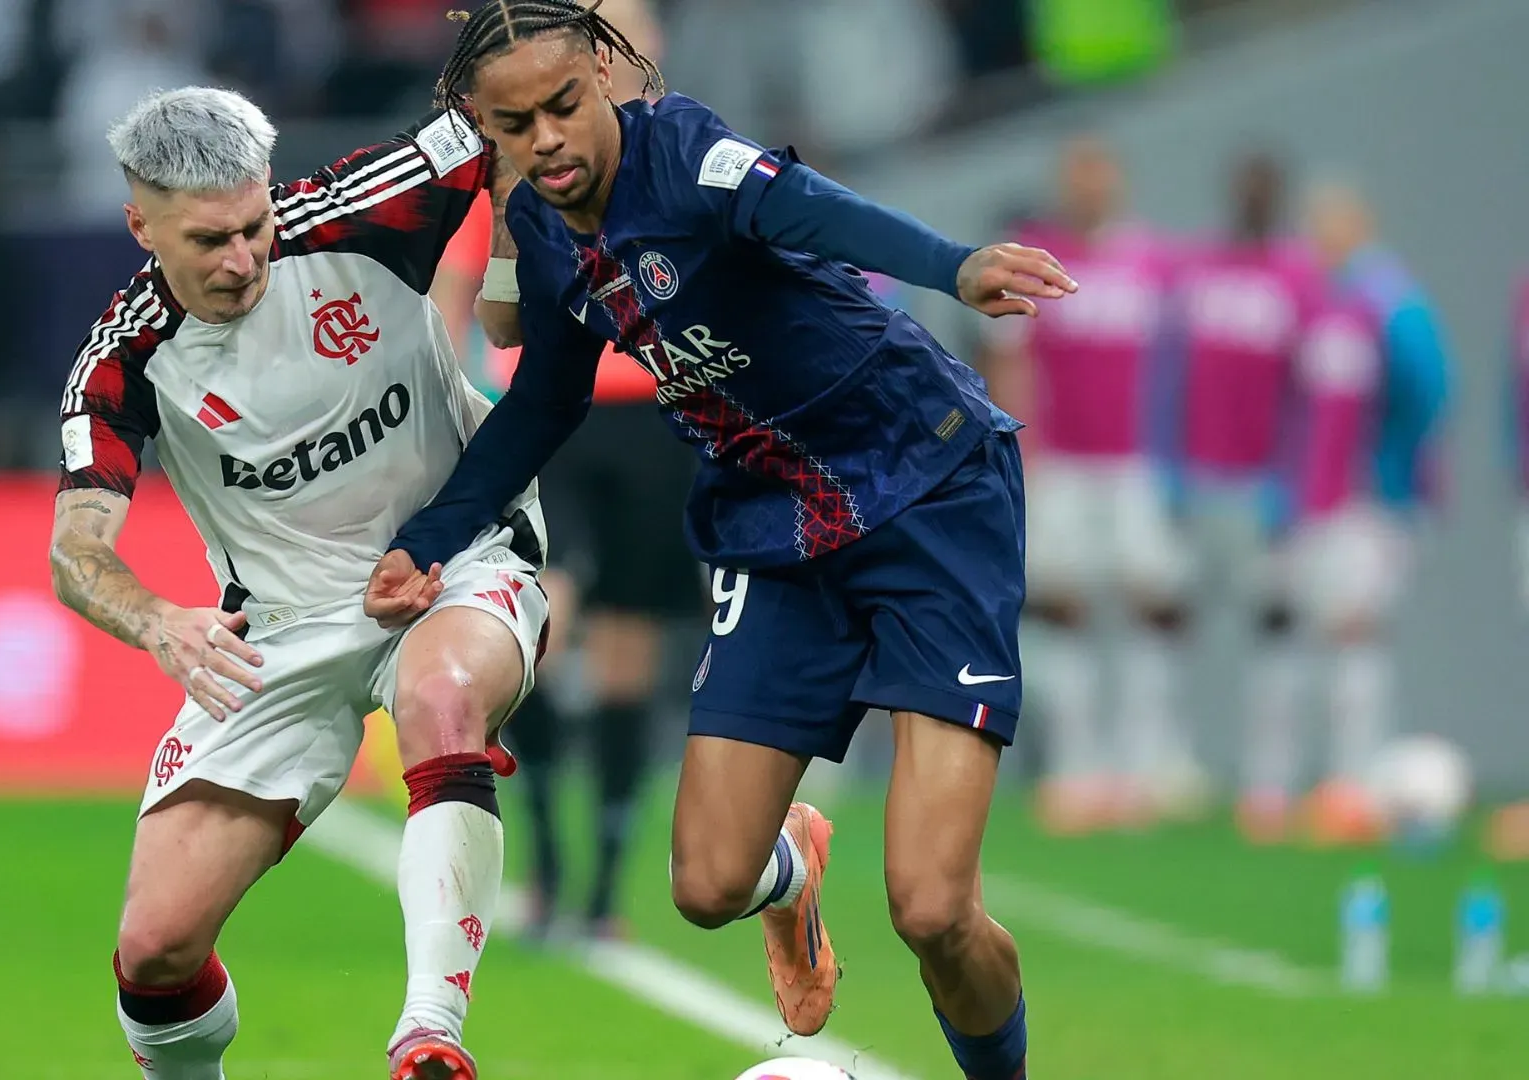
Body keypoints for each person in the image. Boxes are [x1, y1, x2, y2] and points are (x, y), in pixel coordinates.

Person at [365, 4, 1073, 1077]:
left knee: (933, 910)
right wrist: (432, 536)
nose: (549, 137)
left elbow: (818, 213)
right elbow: (540, 404)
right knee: (704, 886)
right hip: (772, 523)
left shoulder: (684, 150)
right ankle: (791, 871)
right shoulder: (547, 241)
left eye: (564, 104)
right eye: (518, 124)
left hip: (925, 487)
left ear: (605, 78)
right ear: (488, 132)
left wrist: (957, 264)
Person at [47, 86, 550, 1080]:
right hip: (280, 628)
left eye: (253, 225)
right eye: (208, 241)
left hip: (458, 559)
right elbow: (76, 552)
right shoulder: (123, 361)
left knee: (441, 693)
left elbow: (511, 110)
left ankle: (429, 1036)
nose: (242, 260)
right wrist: (158, 623)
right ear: (139, 225)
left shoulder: (367, 209)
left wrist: (509, 259)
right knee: (154, 953)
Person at [431, 0, 692, 943]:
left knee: (628, 643)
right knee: (546, 615)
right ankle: (541, 866)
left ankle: (601, 891)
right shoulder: (526, 156)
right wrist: (460, 402)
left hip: (662, 419)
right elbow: (457, 292)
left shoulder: (675, 156)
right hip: (553, 417)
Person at [981, 136, 1194, 833]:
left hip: (1137, 465)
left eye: (1100, 174)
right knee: (1060, 608)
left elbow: (1182, 369)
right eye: (1078, 175)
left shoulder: (1156, 265)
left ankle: (1146, 763)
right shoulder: (1034, 257)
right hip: (1062, 464)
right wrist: (1023, 455)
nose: (1089, 187)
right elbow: (1009, 359)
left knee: (1148, 607)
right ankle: (1077, 767)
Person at [1157, 152, 1329, 841]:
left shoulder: (1300, 280)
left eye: (1264, 187)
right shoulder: (1195, 270)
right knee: (1171, 621)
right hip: (1198, 479)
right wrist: (1166, 465)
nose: (1252, 198)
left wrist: (1297, 481)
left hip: (1266, 485)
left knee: (1274, 626)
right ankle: (1171, 764)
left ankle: (1270, 778)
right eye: (1244, 185)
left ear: (1277, 196)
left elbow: (1315, 391)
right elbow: (1166, 374)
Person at [1288, 182, 1451, 843]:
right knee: (1341, 635)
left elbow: (1430, 386)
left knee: (1358, 632)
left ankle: (1357, 783)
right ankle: (1350, 780)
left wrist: (1392, 466)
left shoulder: (1389, 300)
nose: (1316, 237)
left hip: (1374, 500)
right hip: (1336, 499)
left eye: (1327, 225)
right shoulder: (1330, 300)